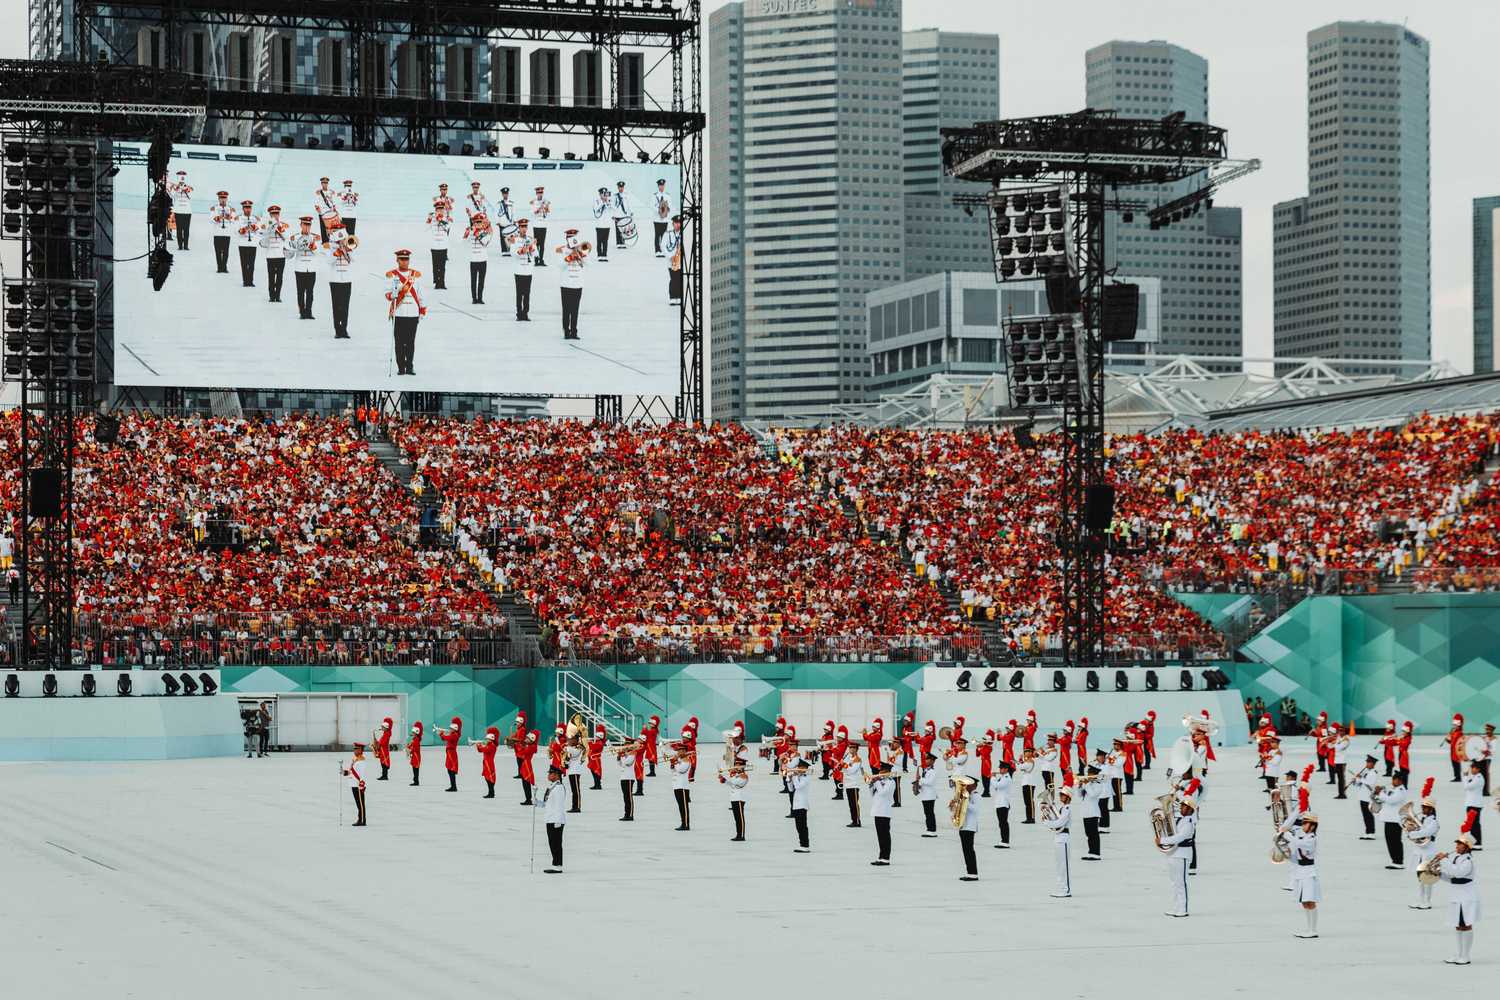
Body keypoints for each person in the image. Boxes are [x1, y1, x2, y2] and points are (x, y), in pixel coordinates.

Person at [1436, 817, 1480, 965]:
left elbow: (1459, 873)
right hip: (1456, 895)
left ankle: (1465, 955)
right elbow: (1452, 877)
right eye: (1457, 844)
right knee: (1458, 925)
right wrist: (1439, 875)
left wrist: (1443, 860)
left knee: (1466, 925)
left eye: (1460, 844)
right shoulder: (1457, 859)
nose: (1457, 846)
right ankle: (1459, 953)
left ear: (1467, 847)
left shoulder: (1468, 861)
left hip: (1465, 897)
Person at [384, 249, 427, 376]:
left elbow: (421, 294)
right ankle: (401, 367)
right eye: (402, 259)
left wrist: (422, 310)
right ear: (397, 260)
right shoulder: (391, 275)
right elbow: (386, 294)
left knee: (410, 342)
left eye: (406, 259)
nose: (404, 261)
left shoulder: (416, 275)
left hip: (412, 313)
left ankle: (409, 366)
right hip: (399, 313)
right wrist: (393, 294)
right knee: (398, 342)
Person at [1160, 786, 1198, 917]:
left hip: (1182, 854)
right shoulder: (1179, 819)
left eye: (1183, 807)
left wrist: (1162, 840)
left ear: (1189, 810)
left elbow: (1179, 837)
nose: (1181, 808)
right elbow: (1170, 830)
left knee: (1181, 882)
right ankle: (1176, 907)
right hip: (1173, 853)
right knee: (1174, 882)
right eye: (1181, 806)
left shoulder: (1189, 822)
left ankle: (1183, 909)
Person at [1409, 778, 1441, 910]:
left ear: (1431, 809)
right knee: (1419, 878)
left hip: (1428, 851)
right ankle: (1420, 899)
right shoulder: (1421, 818)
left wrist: (1413, 834)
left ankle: (1427, 901)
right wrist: (1410, 828)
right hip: (1419, 851)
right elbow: (1418, 829)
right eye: (1423, 807)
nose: (1423, 809)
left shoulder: (1434, 822)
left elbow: (1426, 832)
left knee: (1427, 878)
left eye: (1426, 808)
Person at [1290, 810, 1321, 938]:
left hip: (1309, 872)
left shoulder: (1311, 839)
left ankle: (1313, 930)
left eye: (1305, 823)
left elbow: (1298, 844)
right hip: (1301, 872)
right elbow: (1295, 857)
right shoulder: (1302, 837)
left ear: (1312, 826)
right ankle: (1309, 929)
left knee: (1310, 901)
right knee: (1304, 901)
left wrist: (1286, 834)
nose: (1303, 826)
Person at [555, 231, 588, 341]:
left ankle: (574, 331)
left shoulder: (581, 250)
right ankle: (566, 330)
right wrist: (570, 257)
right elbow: (560, 265)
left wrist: (580, 254)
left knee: (575, 309)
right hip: (566, 284)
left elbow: (588, 263)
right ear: (567, 239)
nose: (572, 240)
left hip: (578, 284)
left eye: (574, 238)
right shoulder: (562, 250)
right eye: (570, 238)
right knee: (566, 309)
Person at [1045, 780, 1073, 898]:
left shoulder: (1067, 808)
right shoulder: (1062, 808)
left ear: (1067, 797)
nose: (1060, 796)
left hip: (1063, 838)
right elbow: (1056, 820)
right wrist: (1048, 814)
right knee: (1059, 865)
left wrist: (1047, 822)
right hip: (1058, 837)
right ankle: (1061, 888)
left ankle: (1065, 890)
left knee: (1063, 866)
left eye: (1062, 795)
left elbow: (1060, 822)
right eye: (1060, 794)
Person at [538, 765, 569, 874]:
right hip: (550, 819)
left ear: (556, 775)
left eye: (550, 773)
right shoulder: (552, 787)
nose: (548, 775)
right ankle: (555, 864)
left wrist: (558, 821)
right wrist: (538, 803)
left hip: (556, 820)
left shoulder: (559, 788)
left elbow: (559, 806)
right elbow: (548, 803)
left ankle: (558, 865)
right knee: (552, 843)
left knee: (556, 844)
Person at [288, 216, 320, 320]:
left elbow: (319, 253)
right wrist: (293, 246)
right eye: (304, 224)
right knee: (300, 291)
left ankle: (309, 312)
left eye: (308, 225)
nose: (306, 227)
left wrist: (313, 247)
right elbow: (290, 254)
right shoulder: (295, 237)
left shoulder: (316, 237)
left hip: (311, 267)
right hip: (300, 267)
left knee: (310, 291)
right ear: (301, 225)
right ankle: (302, 312)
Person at [326, 228, 355, 339]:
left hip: (347, 279)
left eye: (343, 237)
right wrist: (336, 253)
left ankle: (344, 329)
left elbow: (354, 259)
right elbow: (328, 261)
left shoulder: (349, 245)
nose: (341, 240)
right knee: (336, 305)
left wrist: (347, 250)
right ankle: (338, 330)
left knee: (345, 305)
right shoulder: (331, 246)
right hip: (335, 279)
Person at [1377, 773, 1411, 869]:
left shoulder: (1401, 791)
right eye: (1393, 779)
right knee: (1390, 841)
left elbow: (1391, 800)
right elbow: (1384, 799)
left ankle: (1398, 861)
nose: (1393, 781)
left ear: (1400, 781)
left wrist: (1381, 793)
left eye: (1395, 780)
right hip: (1388, 819)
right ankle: (1394, 861)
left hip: (1396, 820)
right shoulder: (1394, 789)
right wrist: (1380, 792)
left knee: (1395, 841)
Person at [258, 205, 288, 302]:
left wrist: (279, 228)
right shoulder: (266, 225)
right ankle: (271, 296)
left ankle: (278, 295)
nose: (275, 216)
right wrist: (269, 230)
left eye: (277, 214)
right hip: (270, 255)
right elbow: (263, 241)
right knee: (271, 277)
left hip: (280, 254)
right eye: (273, 214)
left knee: (279, 277)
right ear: (270, 215)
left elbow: (286, 237)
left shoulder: (283, 225)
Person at [509, 218, 535, 321]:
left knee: (527, 294)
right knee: (519, 293)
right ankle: (519, 314)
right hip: (519, 270)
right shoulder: (515, 240)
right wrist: (521, 251)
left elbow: (535, 254)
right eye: (522, 227)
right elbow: (513, 253)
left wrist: (532, 248)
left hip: (528, 270)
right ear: (519, 228)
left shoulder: (530, 239)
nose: (524, 229)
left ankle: (526, 313)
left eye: (525, 227)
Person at [869, 761, 896, 864]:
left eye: (881, 770)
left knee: (885, 835)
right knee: (880, 835)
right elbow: (873, 795)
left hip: (885, 811)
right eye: (879, 770)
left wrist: (876, 782)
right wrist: (872, 784)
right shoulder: (880, 782)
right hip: (877, 810)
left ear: (887, 771)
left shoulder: (891, 782)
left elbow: (883, 793)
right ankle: (881, 857)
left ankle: (886, 858)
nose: (879, 772)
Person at [1080, 767, 1108, 861]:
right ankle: (1091, 852)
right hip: (1086, 812)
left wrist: (1087, 784)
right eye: (1088, 773)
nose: (1088, 775)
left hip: (1093, 812)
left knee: (1093, 834)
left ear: (1094, 774)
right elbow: (1080, 795)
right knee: (1088, 833)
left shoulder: (1098, 784)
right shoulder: (1088, 784)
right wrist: (1079, 786)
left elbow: (1093, 794)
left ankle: (1096, 853)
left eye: (1090, 773)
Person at [956, 775, 980, 881]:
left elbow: (975, 810)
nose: (966, 786)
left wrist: (965, 801)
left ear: (974, 785)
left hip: (970, 826)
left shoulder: (976, 796)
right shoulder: (966, 795)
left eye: (968, 784)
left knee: (969, 850)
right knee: (965, 850)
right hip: (963, 826)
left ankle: (973, 873)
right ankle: (969, 872)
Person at [464, 213, 492, 305]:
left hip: (483, 259)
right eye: (477, 222)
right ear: (474, 223)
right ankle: (474, 298)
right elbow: (462, 242)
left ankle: (480, 298)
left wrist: (477, 234)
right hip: (473, 260)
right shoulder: (471, 233)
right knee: (473, 280)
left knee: (481, 280)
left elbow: (485, 243)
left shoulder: (485, 233)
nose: (478, 224)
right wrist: (467, 233)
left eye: (480, 222)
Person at [788, 756, 812, 852]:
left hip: (802, 804)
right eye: (799, 767)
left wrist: (793, 777)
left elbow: (798, 786)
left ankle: (805, 845)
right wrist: (789, 778)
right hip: (796, 804)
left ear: (805, 769)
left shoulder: (806, 777)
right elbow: (791, 789)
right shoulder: (797, 777)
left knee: (802, 826)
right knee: (798, 826)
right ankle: (802, 844)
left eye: (801, 768)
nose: (799, 769)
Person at [426, 201, 451, 290]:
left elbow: (448, 227)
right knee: (435, 265)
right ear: (435, 210)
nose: (440, 211)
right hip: (434, 245)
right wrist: (429, 219)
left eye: (441, 209)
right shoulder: (432, 218)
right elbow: (426, 228)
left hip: (443, 245)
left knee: (442, 265)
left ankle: (442, 283)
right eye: (438, 209)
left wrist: (441, 221)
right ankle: (436, 281)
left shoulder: (446, 218)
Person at [1352, 754, 1378, 839]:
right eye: (1367, 762)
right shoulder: (1365, 772)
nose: (1367, 764)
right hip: (1362, 796)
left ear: (1373, 764)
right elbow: (1359, 784)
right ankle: (1367, 832)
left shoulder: (1373, 773)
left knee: (1369, 815)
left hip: (1368, 797)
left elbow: (1369, 783)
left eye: (1369, 762)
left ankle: (1371, 832)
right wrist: (1355, 781)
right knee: (1365, 815)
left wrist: (1360, 778)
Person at [343, 743, 368, 827]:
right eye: (354, 749)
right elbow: (352, 771)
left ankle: (362, 820)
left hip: (358, 785)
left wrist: (361, 784)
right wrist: (346, 772)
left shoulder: (361, 761)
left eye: (357, 749)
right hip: (353, 784)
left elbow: (362, 774)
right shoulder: (355, 759)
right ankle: (360, 819)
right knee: (358, 803)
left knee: (361, 803)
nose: (355, 750)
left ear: (361, 750)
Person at [235, 200, 259, 287]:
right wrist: (245, 229)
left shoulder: (255, 218)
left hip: (252, 243)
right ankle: (245, 281)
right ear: (243, 208)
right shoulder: (239, 218)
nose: (248, 209)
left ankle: (251, 281)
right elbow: (236, 230)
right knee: (244, 263)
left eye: (249, 208)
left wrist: (254, 227)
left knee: (252, 264)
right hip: (243, 244)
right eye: (246, 208)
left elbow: (260, 230)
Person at [723, 763, 749, 841]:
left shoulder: (744, 775)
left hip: (739, 798)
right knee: (736, 818)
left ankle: (741, 835)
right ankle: (738, 834)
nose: (735, 767)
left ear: (741, 767)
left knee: (740, 818)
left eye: (737, 766)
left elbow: (736, 783)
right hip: (734, 798)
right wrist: (724, 780)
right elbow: (732, 784)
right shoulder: (737, 775)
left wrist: (732, 774)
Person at [209, 191, 235, 273]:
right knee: (218, 251)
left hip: (226, 233)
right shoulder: (214, 208)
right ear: (218, 199)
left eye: (224, 198)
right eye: (221, 198)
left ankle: (224, 267)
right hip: (217, 233)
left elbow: (233, 220)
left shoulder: (230, 209)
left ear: (227, 199)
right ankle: (219, 267)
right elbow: (211, 220)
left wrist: (229, 217)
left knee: (226, 251)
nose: (223, 200)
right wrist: (220, 217)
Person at [841, 741, 865, 828]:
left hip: (854, 784)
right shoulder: (848, 758)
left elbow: (852, 771)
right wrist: (841, 766)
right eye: (850, 748)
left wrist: (844, 765)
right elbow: (844, 770)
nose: (851, 749)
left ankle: (857, 821)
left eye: (853, 748)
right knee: (851, 804)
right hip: (848, 783)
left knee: (854, 804)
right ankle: (853, 820)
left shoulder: (857, 759)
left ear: (856, 749)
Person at [1462, 759, 1485, 848]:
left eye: (1474, 768)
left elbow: (1466, 786)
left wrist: (1464, 777)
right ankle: (1474, 842)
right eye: (1472, 768)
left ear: (1478, 769)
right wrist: (1466, 776)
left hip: (1475, 804)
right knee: (1472, 824)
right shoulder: (1475, 777)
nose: (1472, 770)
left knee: (1475, 824)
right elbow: (1468, 781)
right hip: (1472, 803)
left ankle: (1477, 843)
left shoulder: (1478, 778)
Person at [916, 751, 940, 838]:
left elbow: (930, 782)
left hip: (930, 795)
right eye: (926, 759)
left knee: (929, 813)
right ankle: (929, 829)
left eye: (928, 759)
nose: (926, 761)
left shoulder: (933, 771)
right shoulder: (926, 770)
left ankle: (932, 830)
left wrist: (920, 780)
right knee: (927, 813)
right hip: (925, 794)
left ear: (933, 761)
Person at [436, 716, 462, 792]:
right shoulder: (453, 734)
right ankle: (452, 786)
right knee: (449, 769)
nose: (449, 729)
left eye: (451, 728)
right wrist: (441, 734)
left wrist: (441, 734)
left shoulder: (455, 735)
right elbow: (444, 739)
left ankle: (454, 787)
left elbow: (448, 738)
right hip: (449, 752)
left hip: (452, 752)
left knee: (451, 769)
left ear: (455, 728)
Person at [615, 737, 638, 821]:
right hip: (623, 777)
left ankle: (630, 815)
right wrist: (618, 757)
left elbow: (627, 763)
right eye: (625, 744)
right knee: (625, 797)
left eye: (627, 744)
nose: (626, 746)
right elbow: (621, 764)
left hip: (629, 777)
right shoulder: (626, 753)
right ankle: (626, 814)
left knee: (629, 796)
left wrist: (623, 755)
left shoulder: (632, 753)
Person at [169, 170, 193, 250]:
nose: (182, 178)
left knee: (186, 230)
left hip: (187, 211)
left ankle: (186, 245)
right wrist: (176, 188)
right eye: (180, 176)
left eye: (183, 177)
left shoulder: (188, 187)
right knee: (179, 229)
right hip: (178, 210)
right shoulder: (175, 188)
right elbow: (171, 195)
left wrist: (184, 188)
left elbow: (190, 194)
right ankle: (180, 245)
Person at [992, 759, 1013, 848]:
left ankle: (1005, 841)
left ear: (1006, 769)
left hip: (1003, 803)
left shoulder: (1006, 778)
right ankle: (1003, 840)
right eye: (1000, 768)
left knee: (1003, 823)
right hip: (1000, 803)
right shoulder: (1003, 778)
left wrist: (992, 777)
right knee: (1001, 823)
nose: (1000, 770)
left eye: (1002, 768)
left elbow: (997, 785)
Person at [473, 726, 499, 798]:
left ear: (491, 739)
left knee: (489, 778)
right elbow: (480, 751)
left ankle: (491, 793)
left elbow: (485, 750)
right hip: (486, 763)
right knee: (487, 778)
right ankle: (490, 792)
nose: (486, 740)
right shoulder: (488, 745)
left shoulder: (492, 746)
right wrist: (478, 746)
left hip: (489, 764)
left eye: (487, 739)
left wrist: (480, 745)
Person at [662, 214, 683, 306]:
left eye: (679, 223)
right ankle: (673, 297)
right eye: (676, 223)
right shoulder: (668, 234)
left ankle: (679, 297)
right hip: (672, 261)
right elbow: (663, 246)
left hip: (680, 261)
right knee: (673, 279)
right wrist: (670, 256)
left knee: (679, 279)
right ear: (673, 224)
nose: (678, 225)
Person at [312, 176, 340, 242]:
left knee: (333, 227)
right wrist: (319, 211)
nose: (325, 184)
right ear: (321, 184)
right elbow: (316, 203)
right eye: (323, 183)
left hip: (330, 212)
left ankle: (334, 240)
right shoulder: (318, 192)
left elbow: (334, 201)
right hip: (323, 212)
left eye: (326, 183)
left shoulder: (331, 192)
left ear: (327, 183)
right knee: (323, 227)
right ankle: (325, 241)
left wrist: (335, 209)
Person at [671, 749, 692, 831]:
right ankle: (683, 823)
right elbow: (673, 771)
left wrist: (676, 761)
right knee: (680, 806)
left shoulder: (686, 760)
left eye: (679, 751)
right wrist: (672, 764)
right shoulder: (680, 760)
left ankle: (686, 824)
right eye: (678, 751)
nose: (678, 753)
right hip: (676, 785)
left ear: (684, 751)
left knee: (684, 806)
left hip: (683, 786)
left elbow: (681, 770)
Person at [530, 186, 551, 265]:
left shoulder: (546, 201)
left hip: (543, 225)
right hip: (536, 225)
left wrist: (545, 207)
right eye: (539, 193)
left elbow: (548, 211)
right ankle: (536, 260)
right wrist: (540, 208)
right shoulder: (533, 202)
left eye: (541, 192)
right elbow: (533, 212)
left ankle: (541, 260)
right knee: (536, 243)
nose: (540, 194)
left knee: (542, 244)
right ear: (536, 193)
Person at [518, 730, 540, 805]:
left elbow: (522, 752)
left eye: (527, 738)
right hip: (525, 764)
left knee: (526, 782)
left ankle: (528, 799)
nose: (525, 739)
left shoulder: (531, 747)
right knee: (524, 783)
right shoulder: (528, 746)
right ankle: (527, 798)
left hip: (527, 765)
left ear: (531, 740)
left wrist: (519, 745)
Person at [591, 187, 613, 262]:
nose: (604, 195)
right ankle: (599, 255)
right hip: (599, 225)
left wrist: (607, 203)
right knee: (599, 241)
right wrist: (602, 202)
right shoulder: (596, 201)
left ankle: (604, 255)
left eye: (606, 194)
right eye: (603, 194)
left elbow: (611, 210)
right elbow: (596, 210)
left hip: (607, 224)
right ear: (600, 194)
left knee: (605, 241)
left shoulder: (608, 202)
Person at [652, 177, 671, 256]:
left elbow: (670, 206)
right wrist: (660, 212)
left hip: (665, 219)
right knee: (657, 235)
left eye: (663, 185)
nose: (661, 187)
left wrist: (666, 212)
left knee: (664, 235)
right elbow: (652, 206)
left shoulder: (668, 195)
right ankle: (657, 251)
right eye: (660, 185)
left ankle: (663, 250)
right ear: (658, 186)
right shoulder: (654, 195)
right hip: (657, 218)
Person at [1446, 714, 1468, 783]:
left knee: (1456, 763)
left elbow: (1460, 742)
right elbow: (1452, 741)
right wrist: (1448, 739)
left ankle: (1458, 777)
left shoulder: (1460, 733)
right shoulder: (1454, 732)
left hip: (1456, 750)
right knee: (1454, 763)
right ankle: (1456, 776)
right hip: (1452, 750)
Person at [611, 180, 630, 249]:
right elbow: (612, 205)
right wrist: (614, 213)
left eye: (622, 187)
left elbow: (627, 205)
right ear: (618, 187)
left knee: (624, 229)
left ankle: (623, 242)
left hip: (624, 215)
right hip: (617, 215)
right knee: (618, 229)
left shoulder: (626, 195)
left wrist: (629, 213)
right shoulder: (615, 196)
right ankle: (619, 243)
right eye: (619, 187)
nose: (621, 188)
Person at [587, 724, 606, 791]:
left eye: (597, 736)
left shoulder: (600, 743)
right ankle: (596, 784)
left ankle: (598, 785)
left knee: (596, 772)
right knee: (593, 772)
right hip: (593, 759)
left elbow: (593, 748)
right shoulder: (597, 742)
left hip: (596, 760)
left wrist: (589, 742)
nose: (596, 737)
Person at [406, 721, 423, 786]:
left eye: (413, 732)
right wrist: (408, 746)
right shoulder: (415, 739)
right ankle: (415, 780)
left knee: (415, 769)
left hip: (416, 756)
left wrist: (410, 750)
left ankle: (416, 781)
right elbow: (411, 745)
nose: (412, 733)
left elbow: (415, 748)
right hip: (414, 756)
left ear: (416, 733)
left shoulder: (416, 739)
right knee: (414, 769)